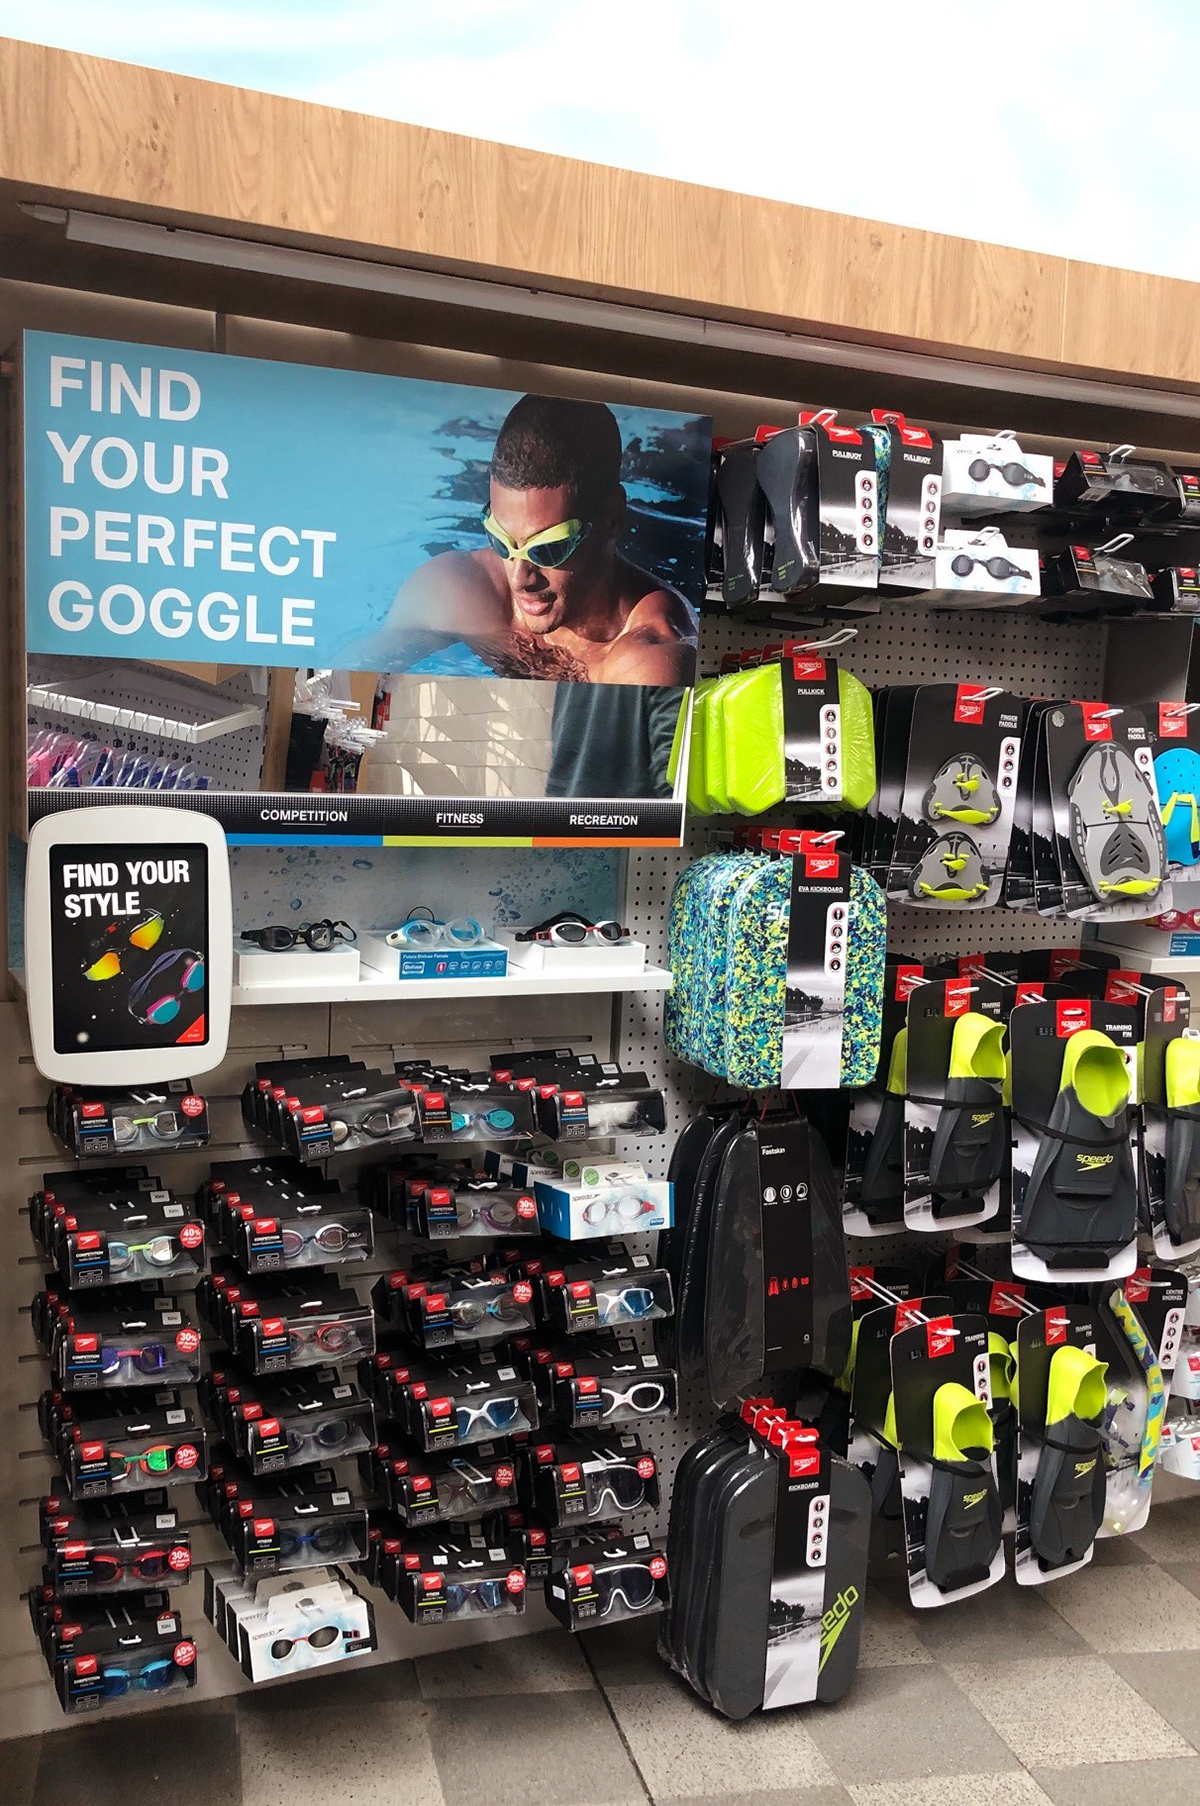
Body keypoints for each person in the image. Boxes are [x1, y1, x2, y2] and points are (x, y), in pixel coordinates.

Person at [372, 394, 698, 686]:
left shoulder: (648, 661)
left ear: (612, 519)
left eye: (548, 549)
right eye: (502, 542)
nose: (520, 578)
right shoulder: (461, 591)